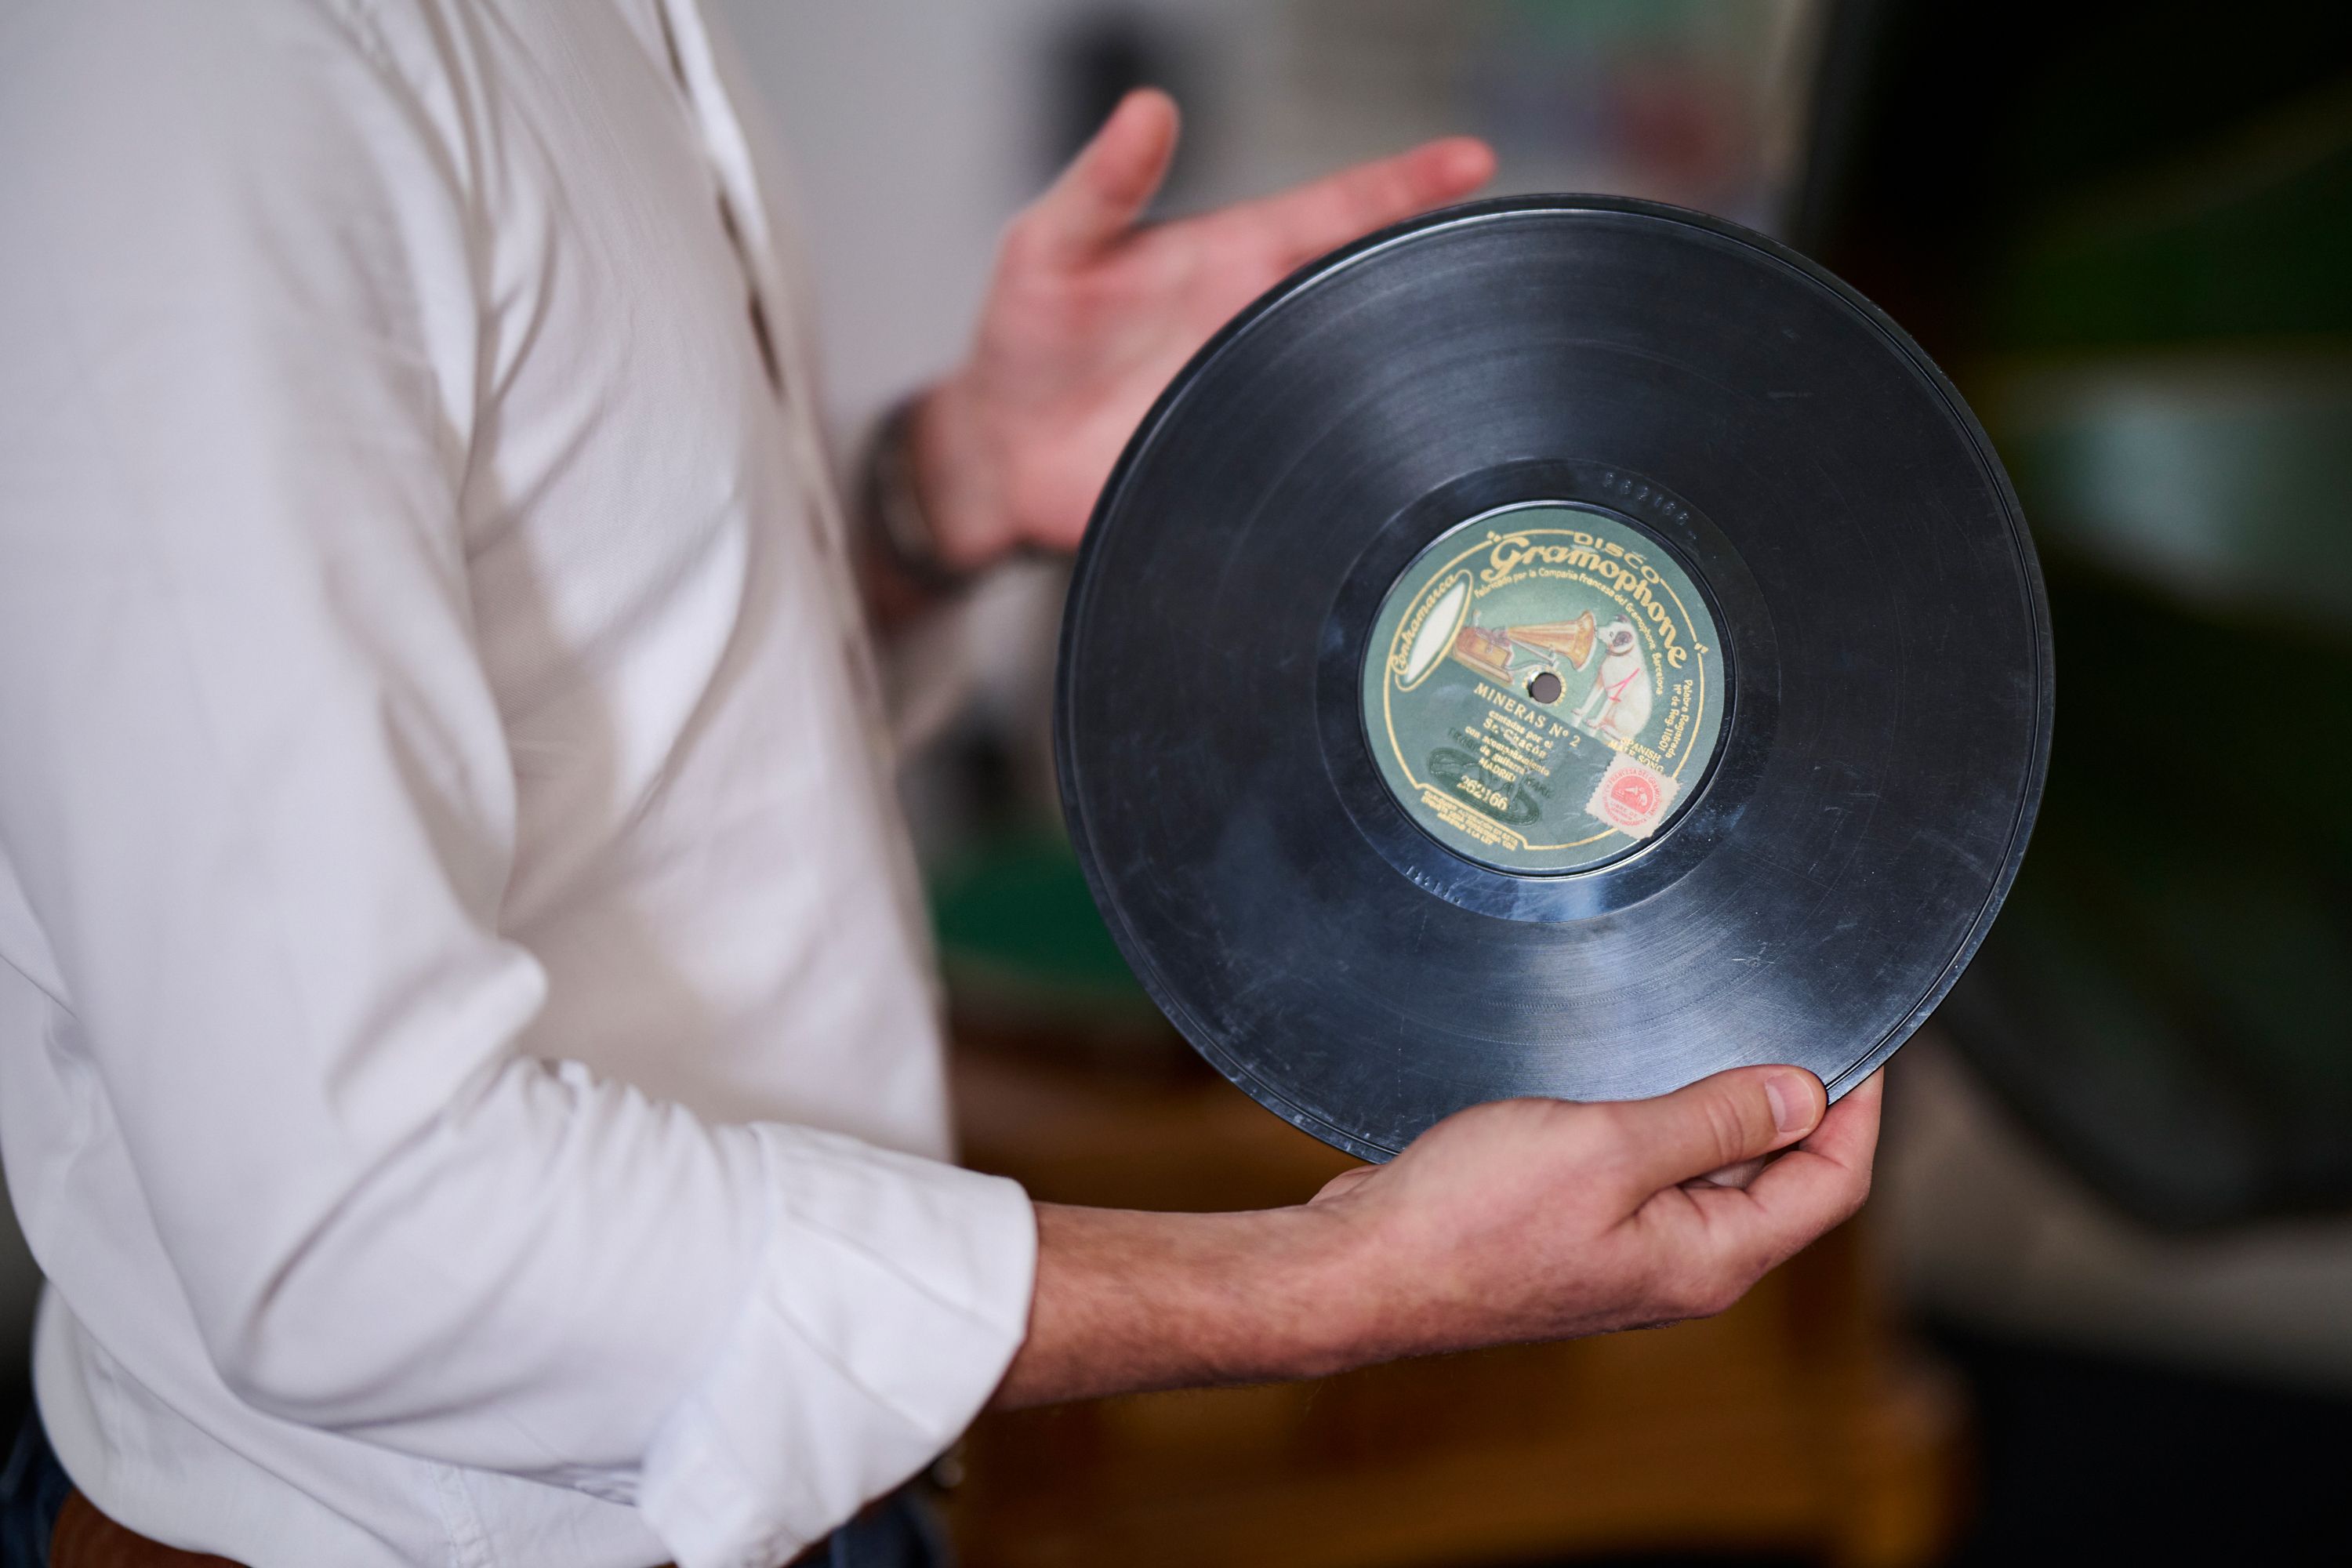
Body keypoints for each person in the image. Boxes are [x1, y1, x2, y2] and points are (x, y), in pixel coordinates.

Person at [0, 4, 1882, 1566]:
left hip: (822, 1495)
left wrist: (929, 492)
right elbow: (351, 1232)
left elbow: (578, 686)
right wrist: (1325, 1288)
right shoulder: (209, 66)